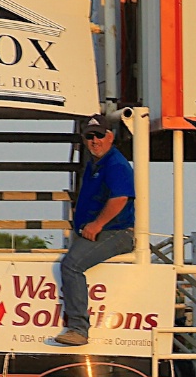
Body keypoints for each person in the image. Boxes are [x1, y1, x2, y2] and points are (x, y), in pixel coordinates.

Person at [51, 115, 135, 347]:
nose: (94, 140)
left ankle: (78, 329)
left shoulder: (115, 164)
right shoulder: (96, 163)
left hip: (118, 232)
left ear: (111, 136)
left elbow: (120, 198)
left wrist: (97, 224)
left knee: (71, 265)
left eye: (99, 135)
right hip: (103, 231)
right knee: (72, 262)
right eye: (89, 136)